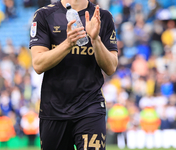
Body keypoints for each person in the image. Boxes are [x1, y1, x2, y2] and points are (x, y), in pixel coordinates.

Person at [29, 0, 118, 150]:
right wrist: (69, 43)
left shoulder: (103, 17)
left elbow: (111, 67)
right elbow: (38, 64)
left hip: (90, 106)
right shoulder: (44, 15)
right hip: (53, 109)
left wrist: (95, 40)